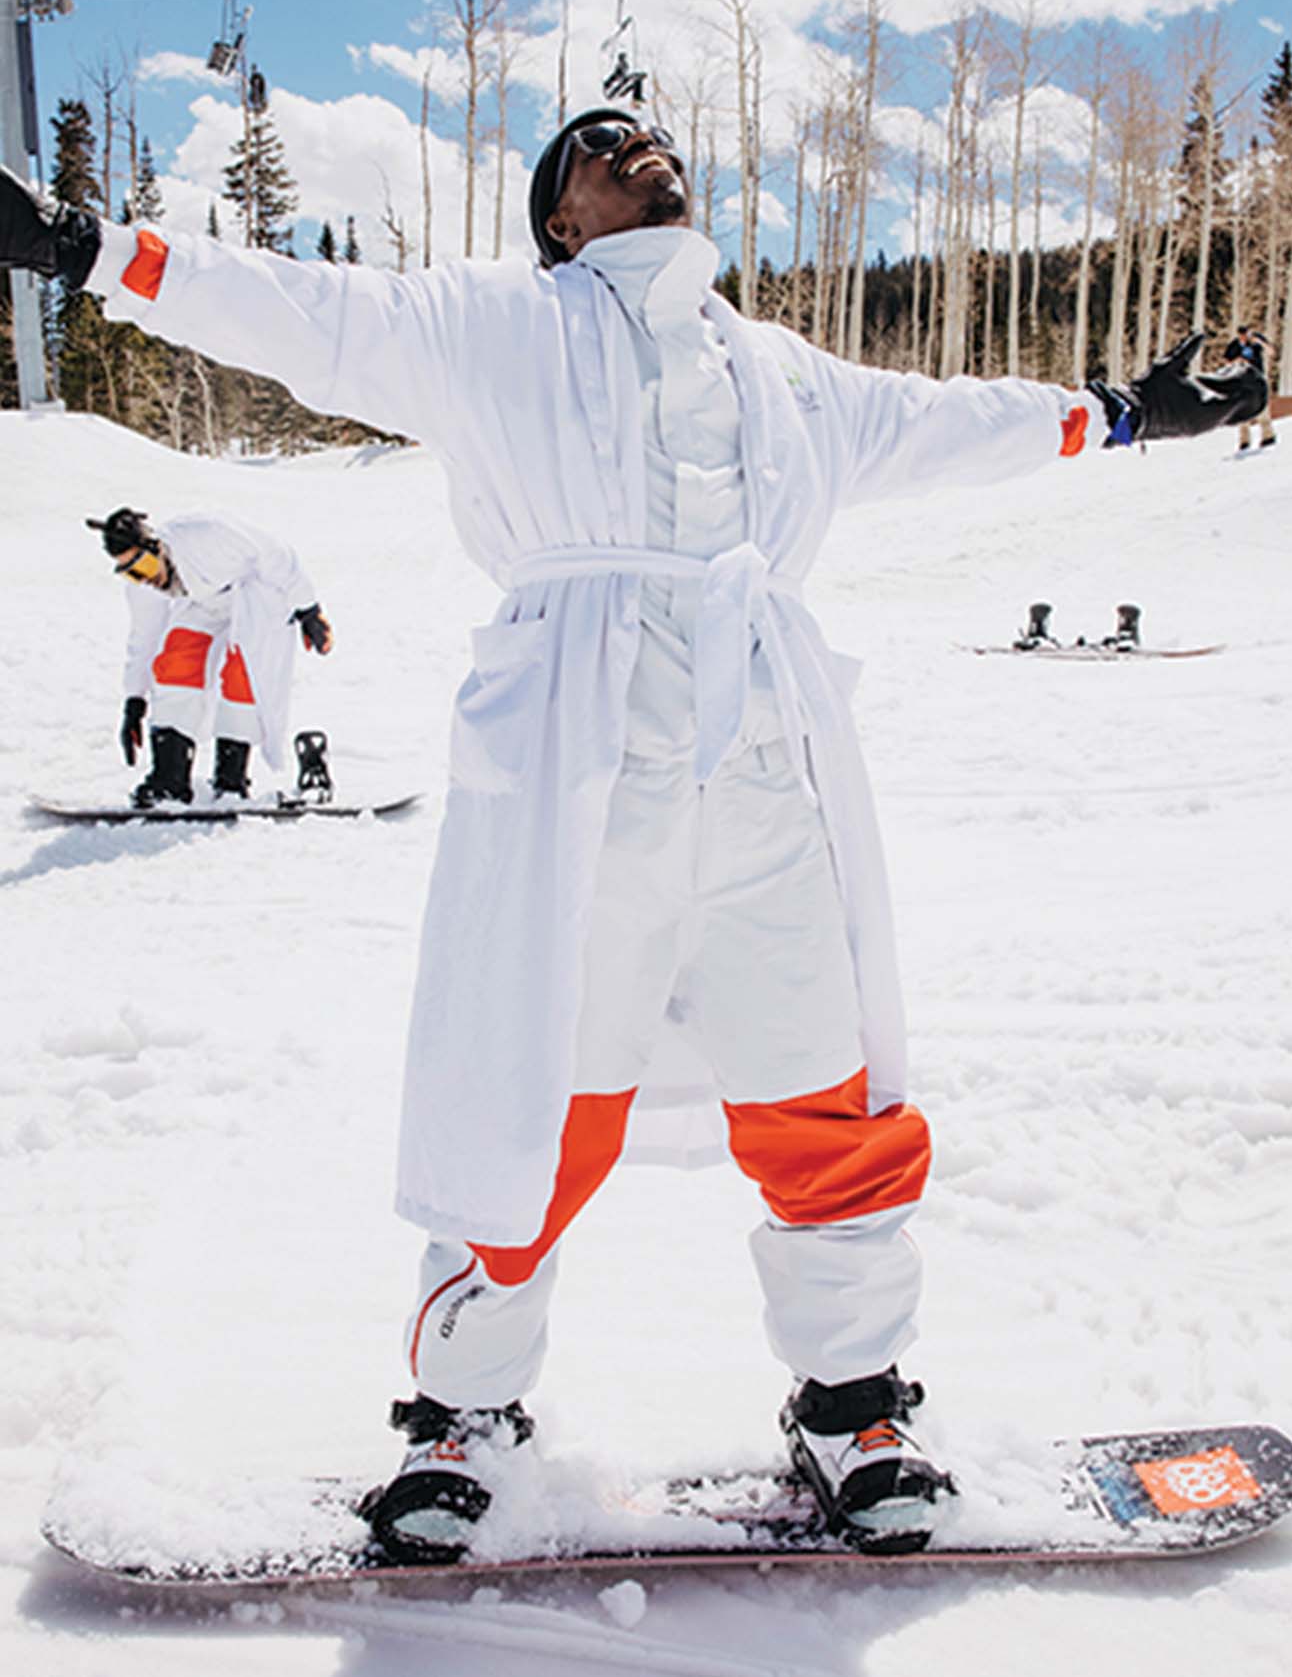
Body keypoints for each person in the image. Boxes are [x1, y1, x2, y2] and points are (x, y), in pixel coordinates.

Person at [1, 136, 1265, 1558]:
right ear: (561, 217)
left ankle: (854, 1407)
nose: (636, 141)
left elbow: (944, 419)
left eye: (649, 133)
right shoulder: (496, 327)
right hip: (574, 775)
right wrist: (83, 245)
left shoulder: (781, 371)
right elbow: (299, 311)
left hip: (768, 770)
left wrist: (1125, 412)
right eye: (599, 148)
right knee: (531, 1099)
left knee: (821, 1091)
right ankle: (463, 1421)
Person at [85, 503, 334, 807]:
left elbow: (276, 555)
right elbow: (144, 639)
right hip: (202, 604)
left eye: (145, 567)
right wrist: (134, 701)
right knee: (175, 659)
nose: (144, 578)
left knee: (242, 670)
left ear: (157, 547)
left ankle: (231, 780)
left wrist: (309, 609)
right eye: (131, 574)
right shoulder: (146, 588)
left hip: (254, 594)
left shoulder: (204, 534)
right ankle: (169, 778)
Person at [1225, 326, 1275, 451]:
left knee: (1262, 407)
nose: (1244, 338)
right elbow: (1227, 360)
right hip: (1242, 380)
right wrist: (1237, 360)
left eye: (1245, 335)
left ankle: (1268, 435)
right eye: (1241, 335)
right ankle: (1244, 440)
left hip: (1257, 378)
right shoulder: (1234, 345)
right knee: (1243, 409)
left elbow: (1271, 352)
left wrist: (1260, 342)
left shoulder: (1255, 342)